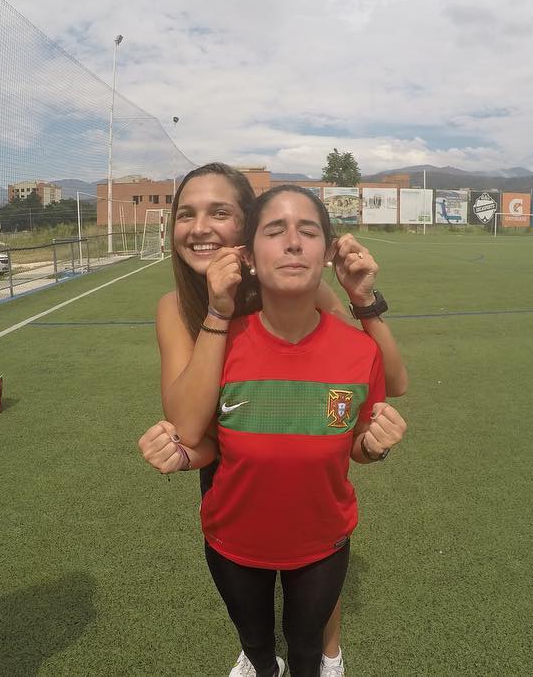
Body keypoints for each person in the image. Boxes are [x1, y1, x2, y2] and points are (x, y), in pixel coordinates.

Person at [143, 163, 408, 677]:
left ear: (244, 231)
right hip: (232, 467)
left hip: (315, 498)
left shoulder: (296, 283)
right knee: (252, 594)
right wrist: (218, 313)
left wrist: (363, 301)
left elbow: (374, 376)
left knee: (313, 565)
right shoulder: (181, 308)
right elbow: (194, 432)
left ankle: (328, 653)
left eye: (219, 213)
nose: (200, 228)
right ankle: (260, 656)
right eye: (186, 215)